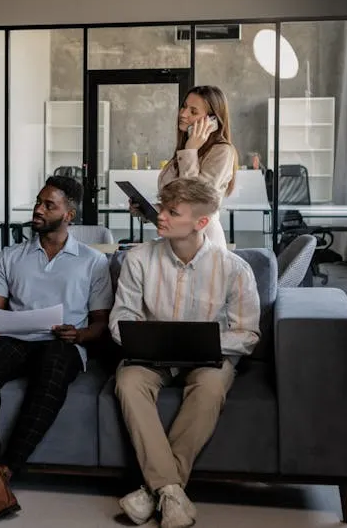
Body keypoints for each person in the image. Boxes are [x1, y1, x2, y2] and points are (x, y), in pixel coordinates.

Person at [0, 175, 114, 524]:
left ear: (69, 214)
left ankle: (0, 478)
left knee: (54, 368)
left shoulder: (93, 262)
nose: (38, 210)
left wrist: (80, 334)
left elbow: (101, 325)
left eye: (49, 205)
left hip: (63, 343)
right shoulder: (9, 257)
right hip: (15, 339)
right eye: (38, 203)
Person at [110, 178, 260, 528]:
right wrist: (152, 339)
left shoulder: (234, 269)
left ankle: (154, 491)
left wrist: (202, 341)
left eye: (171, 212)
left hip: (208, 358)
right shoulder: (138, 259)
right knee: (128, 380)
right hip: (151, 357)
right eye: (162, 208)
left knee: (210, 386)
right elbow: (121, 319)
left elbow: (248, 335)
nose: (159, 216)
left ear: (201, 222)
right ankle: (172, 494)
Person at [136, 85, 239, 247]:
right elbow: (177, 205)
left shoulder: (222, 151)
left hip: (204, 241)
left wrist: (191, 150)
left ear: (212, 121)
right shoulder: (185, 150)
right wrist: (149, 209)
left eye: (193, 111)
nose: (183, 114)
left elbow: (196, 200)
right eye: (184, 107)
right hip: (178, 241)